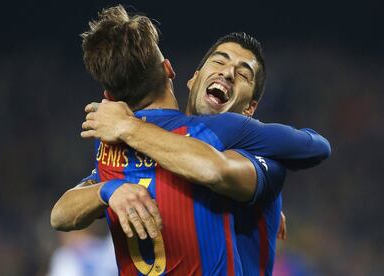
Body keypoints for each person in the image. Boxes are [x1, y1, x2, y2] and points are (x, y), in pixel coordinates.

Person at [51, 5, 330, 275]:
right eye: (219, 61)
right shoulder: (128, 145)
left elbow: (314, 146)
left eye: (243, 73)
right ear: (187, 77)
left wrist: (128, 127)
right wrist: (108, 190)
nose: (227, 72)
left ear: (250, 110)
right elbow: (61, 213)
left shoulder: (119, 141)